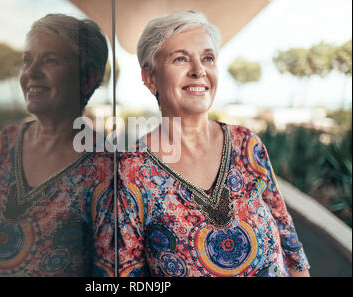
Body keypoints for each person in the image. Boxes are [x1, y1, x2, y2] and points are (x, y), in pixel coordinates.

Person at [117, 10, 310, 277]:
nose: (199, 71)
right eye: (181, 58)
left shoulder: (246, 144)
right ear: (150, 77)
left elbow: (291, 249)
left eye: (208, 58)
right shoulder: (130, 171)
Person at [0, 14, 114, 276]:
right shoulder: (4, 143)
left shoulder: (108, 168)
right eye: (27, 61)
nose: (31, 72)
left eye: (50, 60)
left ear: (87, 78)